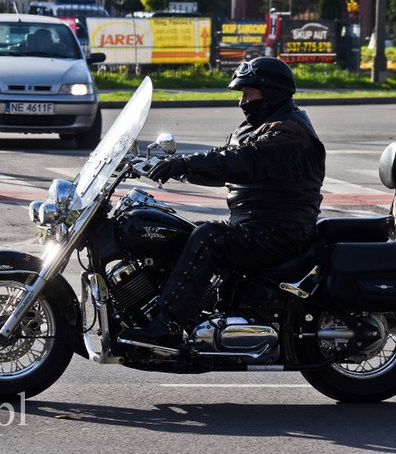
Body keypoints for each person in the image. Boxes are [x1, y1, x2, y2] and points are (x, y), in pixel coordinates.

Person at [120, 57, 326, 348]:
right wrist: (168, 166)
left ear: (271, 93)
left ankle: (166, 326)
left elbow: (239, 161)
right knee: (182, 233)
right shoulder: (260, 127)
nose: (242, 101)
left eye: (248, 93)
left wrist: (183, 163)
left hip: (279, 231)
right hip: (258, 226)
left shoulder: (288, 132)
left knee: (207, 239)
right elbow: (224, 165)